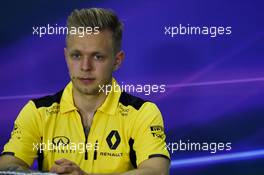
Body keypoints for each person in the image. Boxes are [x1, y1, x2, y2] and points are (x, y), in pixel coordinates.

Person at [0, 8, 170, 175]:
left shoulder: (143, 113)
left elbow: (156, 171)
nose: (85, 67)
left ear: (117, 61)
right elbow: (7, 166)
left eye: (97, 56)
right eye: (77, 55)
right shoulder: (37, 112)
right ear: (66, 57)